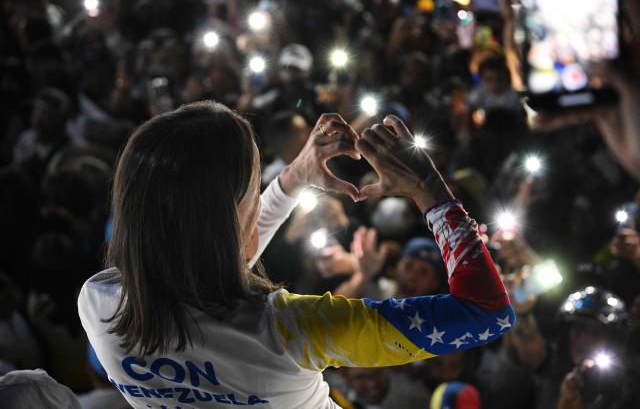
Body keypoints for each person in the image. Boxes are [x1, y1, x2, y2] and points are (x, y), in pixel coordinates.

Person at [78, 102, 514, 408]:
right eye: (254, 187)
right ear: (224, 222)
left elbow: (203, 266)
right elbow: (486, 312)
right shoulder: (290, 331)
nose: (259, 196)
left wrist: (292, 180)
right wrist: (431, 193)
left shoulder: (97, 304)